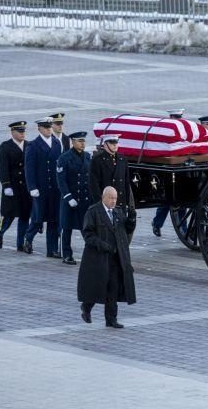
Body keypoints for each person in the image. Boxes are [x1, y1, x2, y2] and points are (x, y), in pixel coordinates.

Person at [78, 187, 136, 328]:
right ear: (104, 197)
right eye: (111, 198)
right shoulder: (93, 212)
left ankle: (111, 319)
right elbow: (88, 234)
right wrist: (103, 245)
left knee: (113, 288)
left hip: (116, 258)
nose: (114, 201)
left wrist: (131, 219)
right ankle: (86, 307)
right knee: (97, 287)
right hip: (99, 258)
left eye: (115, 198)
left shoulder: (118, 212)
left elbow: (126, 229)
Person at [23, 118, 61, 256]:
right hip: (40, 189)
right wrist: (32, 187)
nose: (48, 130)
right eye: (45, 127)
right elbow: (29, 168)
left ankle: (52, 250)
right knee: (38, 218)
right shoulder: (33, 145)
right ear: (39, 129)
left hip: (54, 189)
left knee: (53, 219)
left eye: (49, 127)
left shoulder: (57, 143)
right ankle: (28, 238)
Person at [56, 131, 92, 265]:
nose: (82, 144)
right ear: (73, 142)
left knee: (86, 228)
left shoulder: (88, 157)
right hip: (70, 200)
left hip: (84, 199)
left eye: (83, 141)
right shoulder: (64, 158)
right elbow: (61, 181)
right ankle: (66, 254)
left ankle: (91, 253)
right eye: (79, 141)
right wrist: (68, 196)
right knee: (67, 228)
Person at [151, 110, 187, 237]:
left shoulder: (183, 131)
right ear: (171, 117)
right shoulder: (165, 131)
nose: (178, 119)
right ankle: (157, 223)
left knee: (183, 201)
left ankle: (184, 229)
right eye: (176, 117)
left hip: (181, 171)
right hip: (167, 171)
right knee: (165, 202)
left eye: (179, 117)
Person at [0, 121, 30, 249]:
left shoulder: (28, 145)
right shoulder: (5, 146)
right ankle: (0, 233)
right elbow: (2, 167)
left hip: (25, 187)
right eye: (19, 132)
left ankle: (20, 243)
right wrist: (6, 185)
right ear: (13, 132)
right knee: (8, 214)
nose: (22, 134)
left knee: (25, 215)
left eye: (23, 132)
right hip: (12, 186)